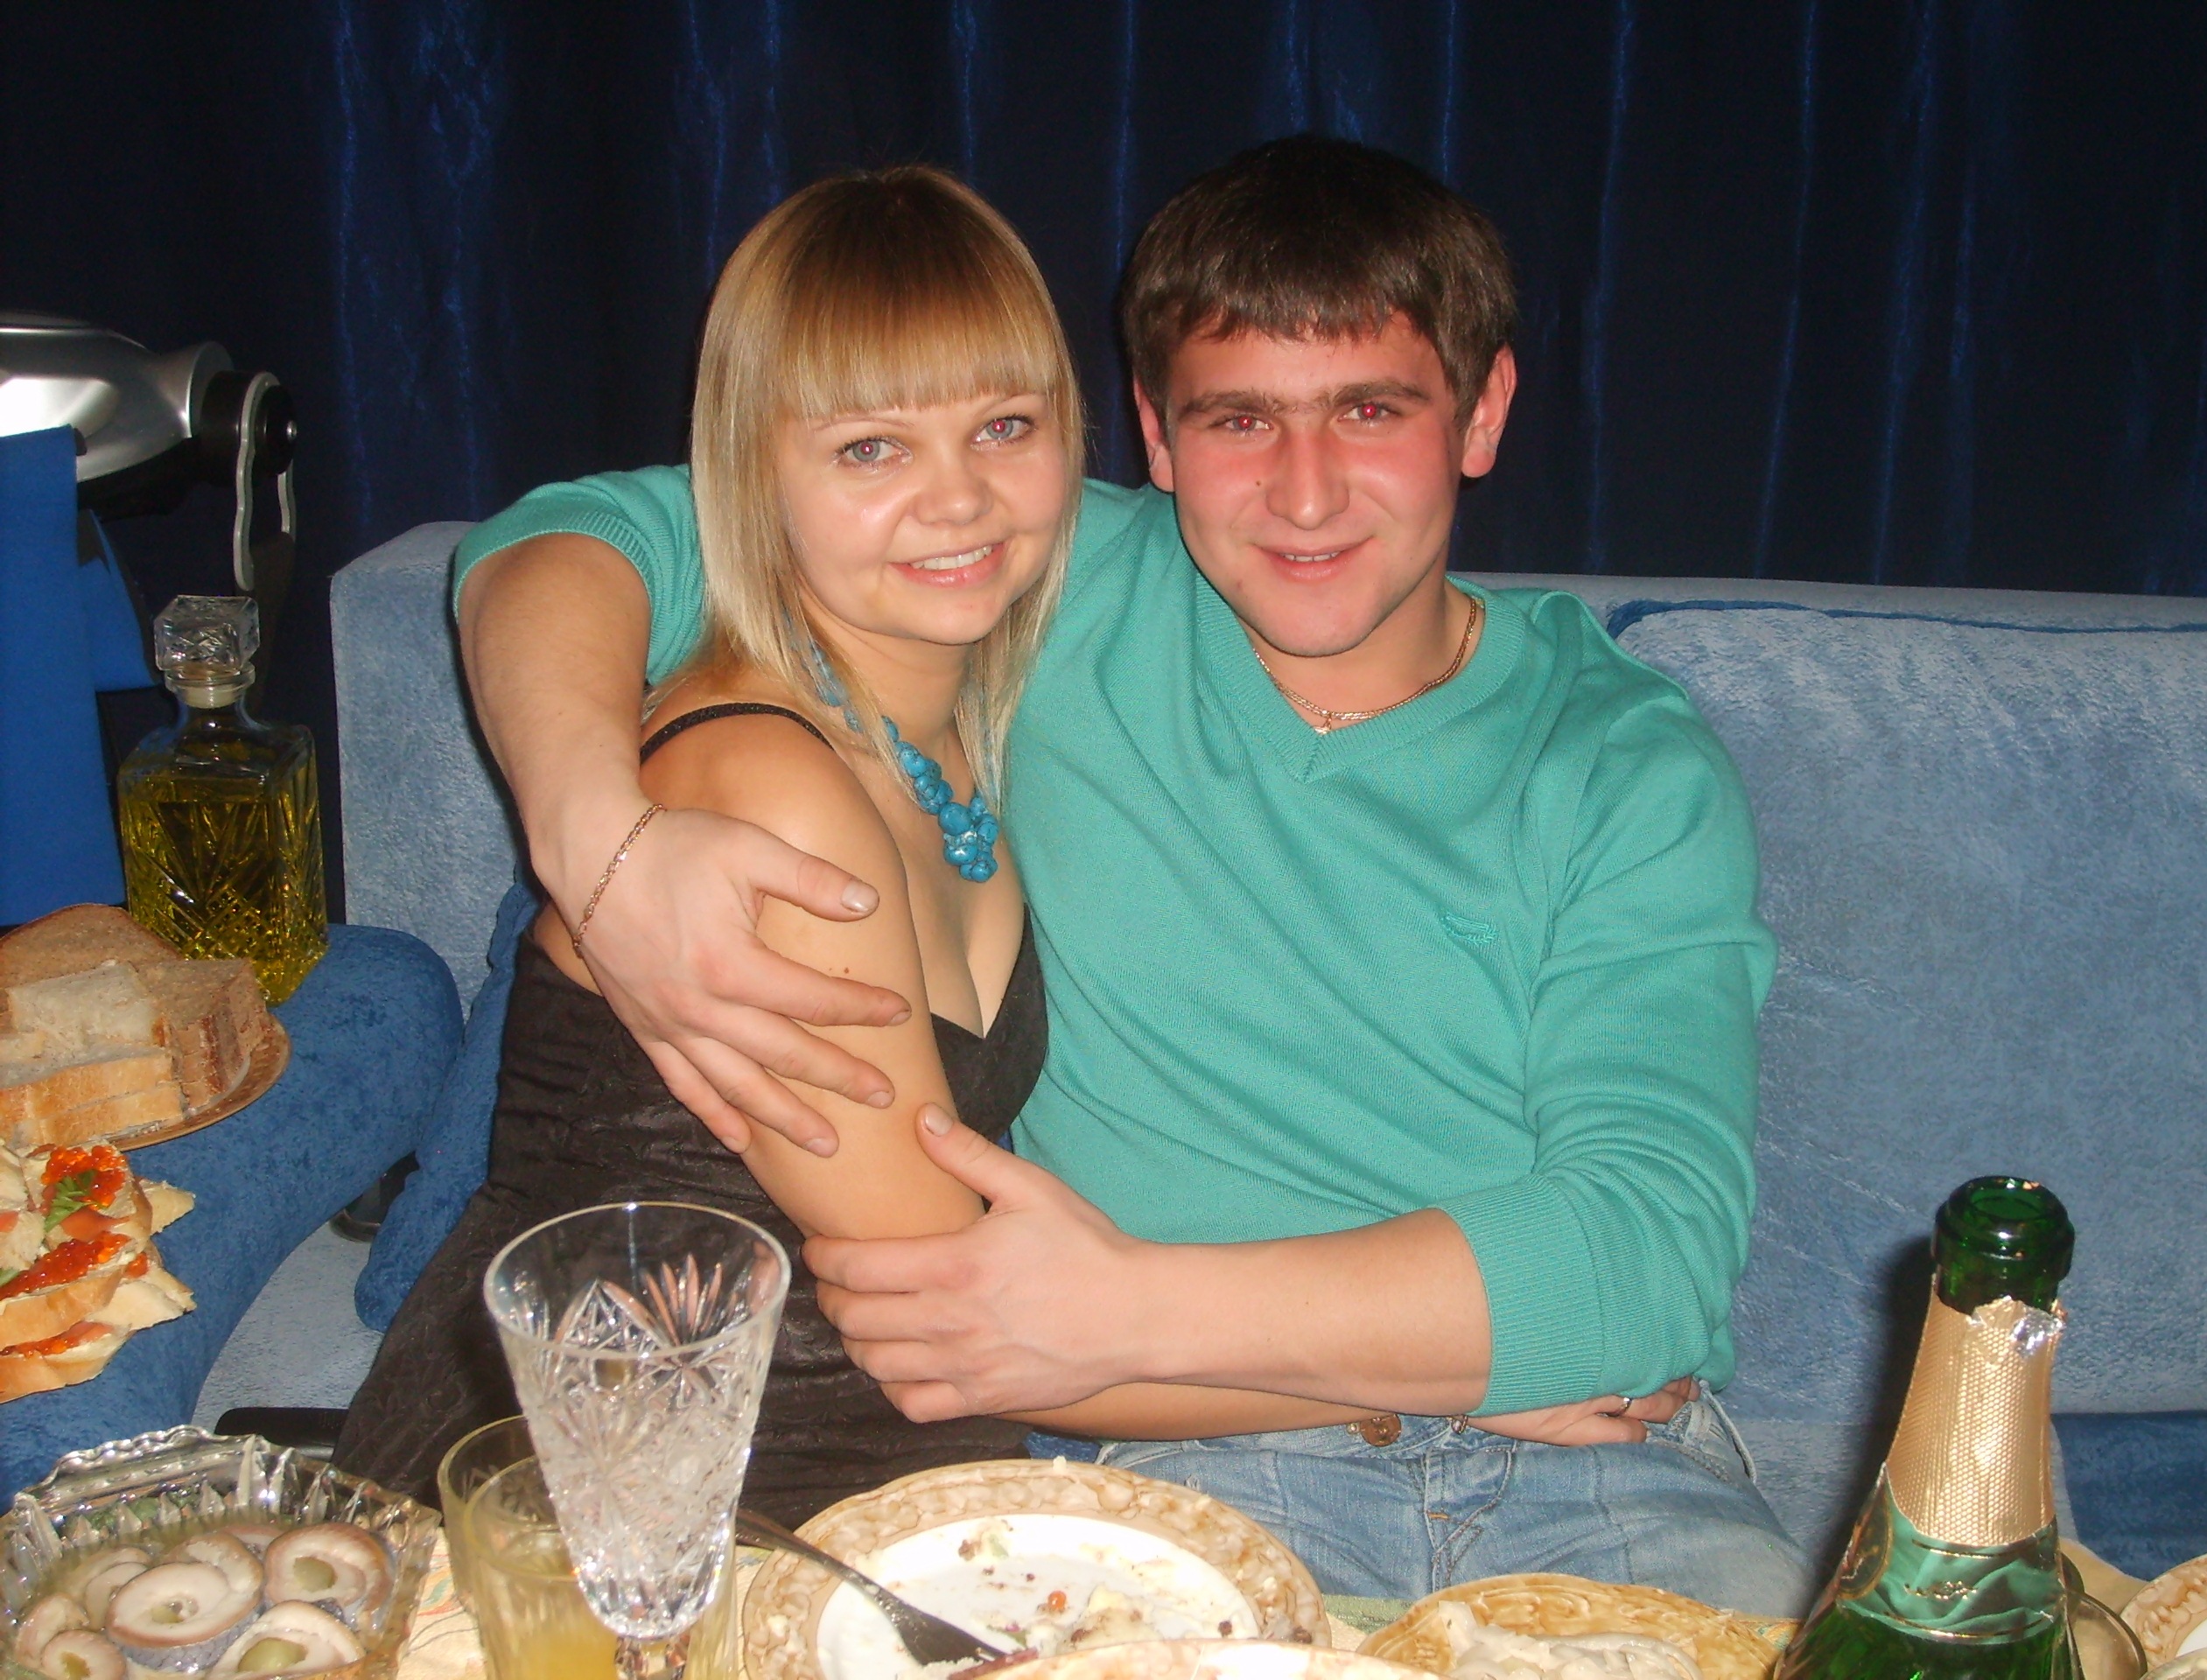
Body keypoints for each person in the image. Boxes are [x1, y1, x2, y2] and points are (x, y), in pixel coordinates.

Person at [435, 137, 1811, 1612]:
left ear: (1482, 414)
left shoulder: (1620, 757)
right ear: (1154, 433)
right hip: (1208, 1462)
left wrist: (1137, 1309)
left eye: (1370, 410)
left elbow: (1650, 1251)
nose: (1303, 495)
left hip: (1591, 1456)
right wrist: (597, 842)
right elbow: (575, 537)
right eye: (1240, 420)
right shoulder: (1031, 578)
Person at [332, 167, 1077, 1521]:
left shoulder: (961, 730)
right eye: (871, 449)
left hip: (852, 1443)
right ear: (746, 474)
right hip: (603, 1496)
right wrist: (1392, 1360)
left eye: (1004, 426)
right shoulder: (768, 789)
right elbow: (956, 1302)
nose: (960, 498)